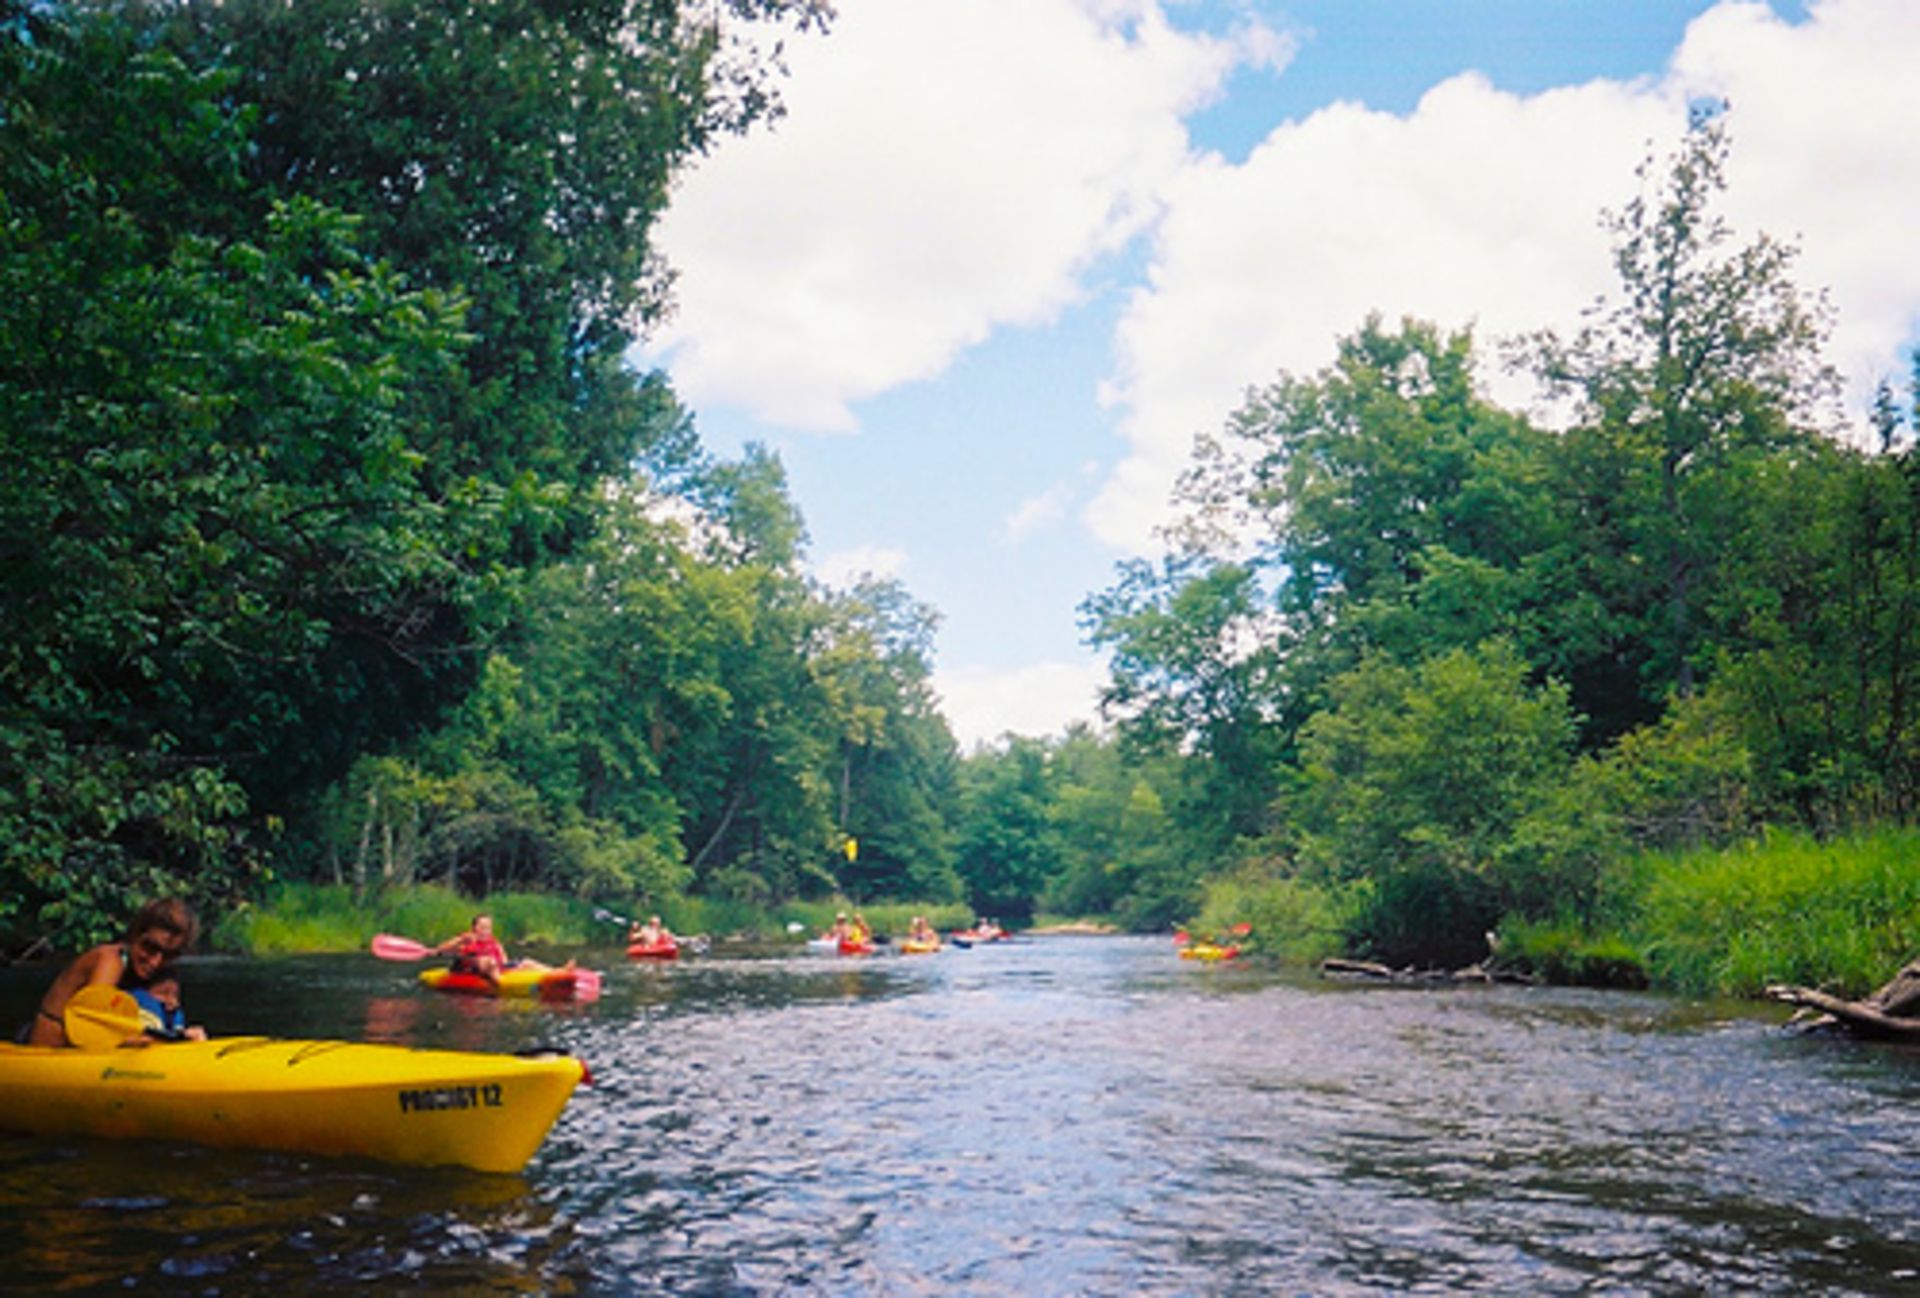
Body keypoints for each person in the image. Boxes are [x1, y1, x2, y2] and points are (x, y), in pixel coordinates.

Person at [25, 898, 198, 1047]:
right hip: (52, 1049)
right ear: (134, 934)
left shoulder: (163, 976)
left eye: (169, 955)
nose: (155, 962)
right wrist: (138, 1041)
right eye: (150, 947)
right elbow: (94, 1025)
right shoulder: (110, 961)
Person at [435, 913, 567, 987]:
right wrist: (439, 950)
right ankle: (503, 985)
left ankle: (557, 972)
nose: (485, 931)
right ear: (474, 928)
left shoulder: (493, 941)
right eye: (482, 927)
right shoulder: (467, 937)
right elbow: (445, 947)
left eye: (488, 927)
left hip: (497, 967)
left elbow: (503, 956)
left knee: (527, 962)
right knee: (490, 962)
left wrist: (510, 967)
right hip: (475, 967)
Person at [131, 973, 208, 1042]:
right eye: (163, 993)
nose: (171, 1000)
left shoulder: (175, 1022)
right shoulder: (133, 1013)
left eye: (175, 995)